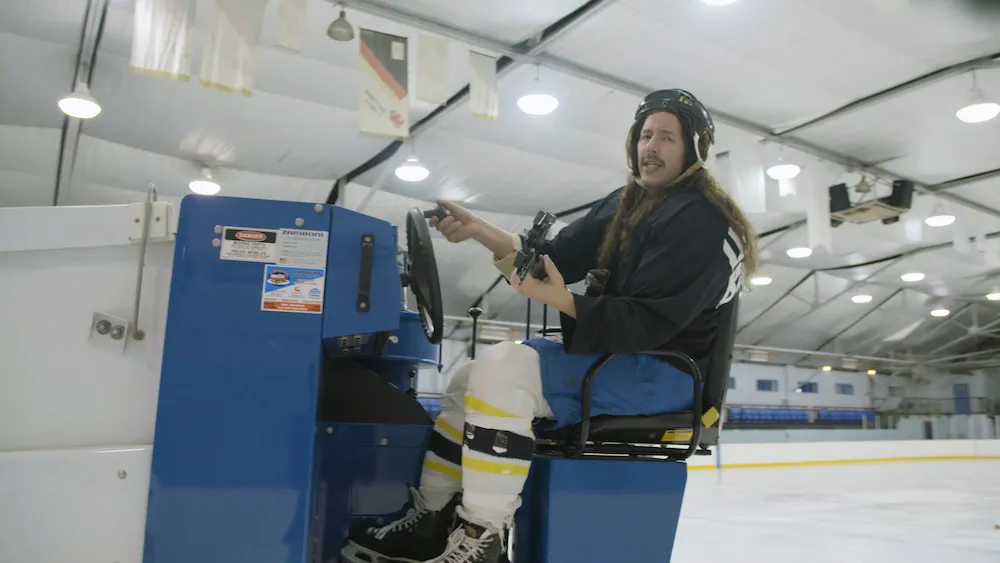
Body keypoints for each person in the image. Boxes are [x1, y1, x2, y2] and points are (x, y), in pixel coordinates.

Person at [340, 89, 759, 563]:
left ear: (695, 149)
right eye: (645, 135)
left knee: (504, 368)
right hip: (623, 357)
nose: (651, 147)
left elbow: (648, 321)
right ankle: (434, 518)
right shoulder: (629, 204)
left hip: (665, 375)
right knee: (468, 377)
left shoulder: (703, 221)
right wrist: (479, 229)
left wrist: (561, 298)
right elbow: (550, 259)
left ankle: (481, 537)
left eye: (667, 137)